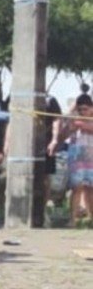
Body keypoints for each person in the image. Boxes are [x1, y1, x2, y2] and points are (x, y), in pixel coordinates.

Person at [51, 93, 93, 225]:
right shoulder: (73, 121)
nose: (82, 112)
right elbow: (62, 137)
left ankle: (91, 217)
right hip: (76, 157)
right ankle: (72, 219)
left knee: (90, 189)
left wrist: (80, 123)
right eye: (80, 110)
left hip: (91, 157)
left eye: (85, 109)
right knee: (77, 187)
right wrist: (69, 127)